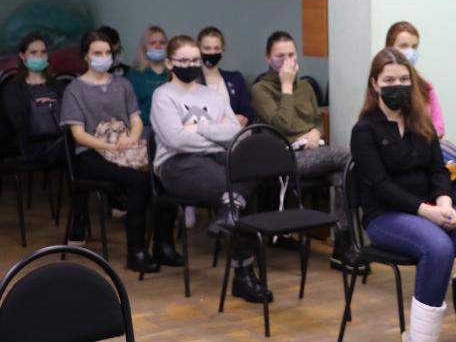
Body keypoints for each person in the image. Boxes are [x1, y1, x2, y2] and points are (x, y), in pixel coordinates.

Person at [351, 48, 456, 342]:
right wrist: (427, 211)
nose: (397, 86)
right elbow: (380, 186)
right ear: (374, 84)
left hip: (433, 208)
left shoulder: (422, 122)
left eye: (403, 79)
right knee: (439, 248)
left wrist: (444, 200)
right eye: (389, 80)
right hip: (385, 215)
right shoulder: (364, 130)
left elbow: (438, 171)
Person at [151, 35, 269, 303]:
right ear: (169, 63)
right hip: (178, 165)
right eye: (184, 60)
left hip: (217, 158)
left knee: (252, 169)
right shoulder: (163, 96)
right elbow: (176, 140)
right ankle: (244, 275)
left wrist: (198, 128)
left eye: (195, 60)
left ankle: (230, 211)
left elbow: (235, 133)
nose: (191, 65)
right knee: (238, 192)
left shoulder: (212, 95)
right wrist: (216, 132)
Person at [60, 30, 180, 273]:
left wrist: (132, 139)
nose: (104, 57)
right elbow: (78, 135)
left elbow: (135, 120)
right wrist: (111, 147)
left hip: (125, 146)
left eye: (107, 52)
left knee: (164, 172)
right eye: (97, 53)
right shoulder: (75, 89)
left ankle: (163, 245)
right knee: (138, 181)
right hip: (90, 153)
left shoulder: (123, 84)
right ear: (86, 56)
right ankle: (136, 252)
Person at [250, 31, 350, 265]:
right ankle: (346, 244)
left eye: (291, 55)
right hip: (282, 159)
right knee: (347, 155)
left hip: (312, 153)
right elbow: (281, 126)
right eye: (280, 56)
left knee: (342, 174)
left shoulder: (305, 87)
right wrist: (286, 86)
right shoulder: (261, 89)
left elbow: (316, 120)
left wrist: (316, 132)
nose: (287, 61)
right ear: (268, 58)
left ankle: (343, 244)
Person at [2, 33, 65, 164]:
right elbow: (17, 123)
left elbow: (71, 114)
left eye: (43, 52)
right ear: (22, 56)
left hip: (62, 143)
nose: (39, 56)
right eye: (33, 52)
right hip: (31, 147)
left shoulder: (58, 85)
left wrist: (53, 105)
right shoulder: (13, 89)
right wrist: (46, 108)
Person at [385, 21, 445, 137]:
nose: (411, 52)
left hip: (427, 143)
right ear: (390, 48)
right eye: (404, 46)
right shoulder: (382, 87)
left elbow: (439, 126)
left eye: (414, 47)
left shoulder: (425, 87)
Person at [197, 26, 254, 126]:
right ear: (198, 49)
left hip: (235, 134)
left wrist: (243, 119)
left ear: (223, 50)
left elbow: (248, 113)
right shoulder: (191, 80)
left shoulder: (236, 78)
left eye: (217, 48)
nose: (212, 52)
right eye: (207, 48)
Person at [126, 25, 169, 133]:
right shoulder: (135, 75)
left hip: (171, 127)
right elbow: (130, 109)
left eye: (162, 42)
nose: (158, 46)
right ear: (144, 47)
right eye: (152, 43)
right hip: (144, 129)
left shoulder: (173, 72)